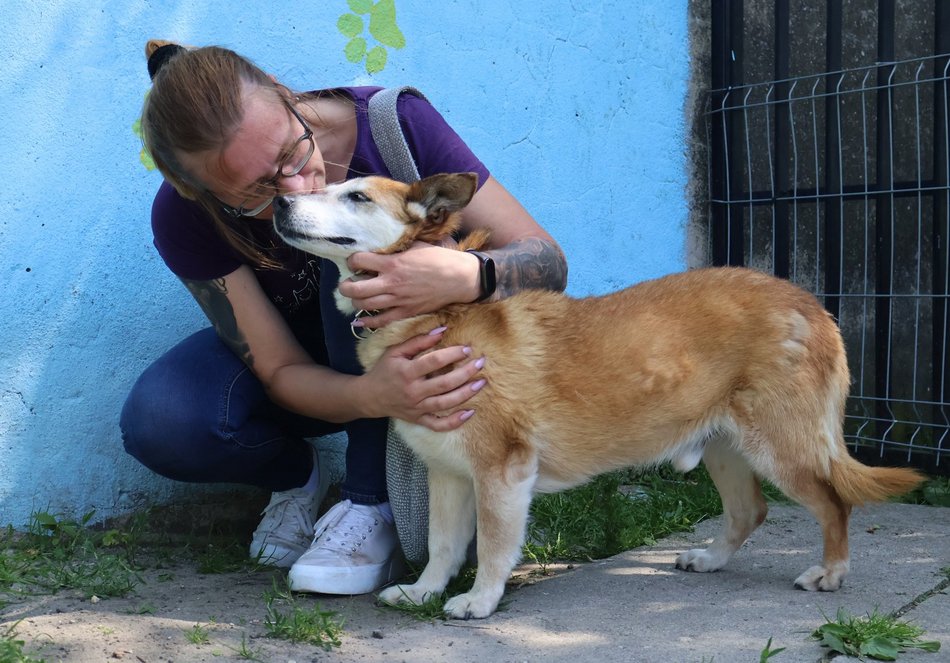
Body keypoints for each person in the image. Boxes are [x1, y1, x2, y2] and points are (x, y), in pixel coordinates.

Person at [121, 42, 567, 596]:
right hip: (314, 378)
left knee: (356, 260)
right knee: (162, 421)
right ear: (198, 189)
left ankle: (369, 502)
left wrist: (463, 274)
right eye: (257, 191)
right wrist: (373, 396)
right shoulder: (183, 214)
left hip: (409, 347)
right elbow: (278, 368)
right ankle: (297, 483)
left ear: (284, 94)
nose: (296, 189)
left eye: (291, 153)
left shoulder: (393, 126)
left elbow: (547, 262)